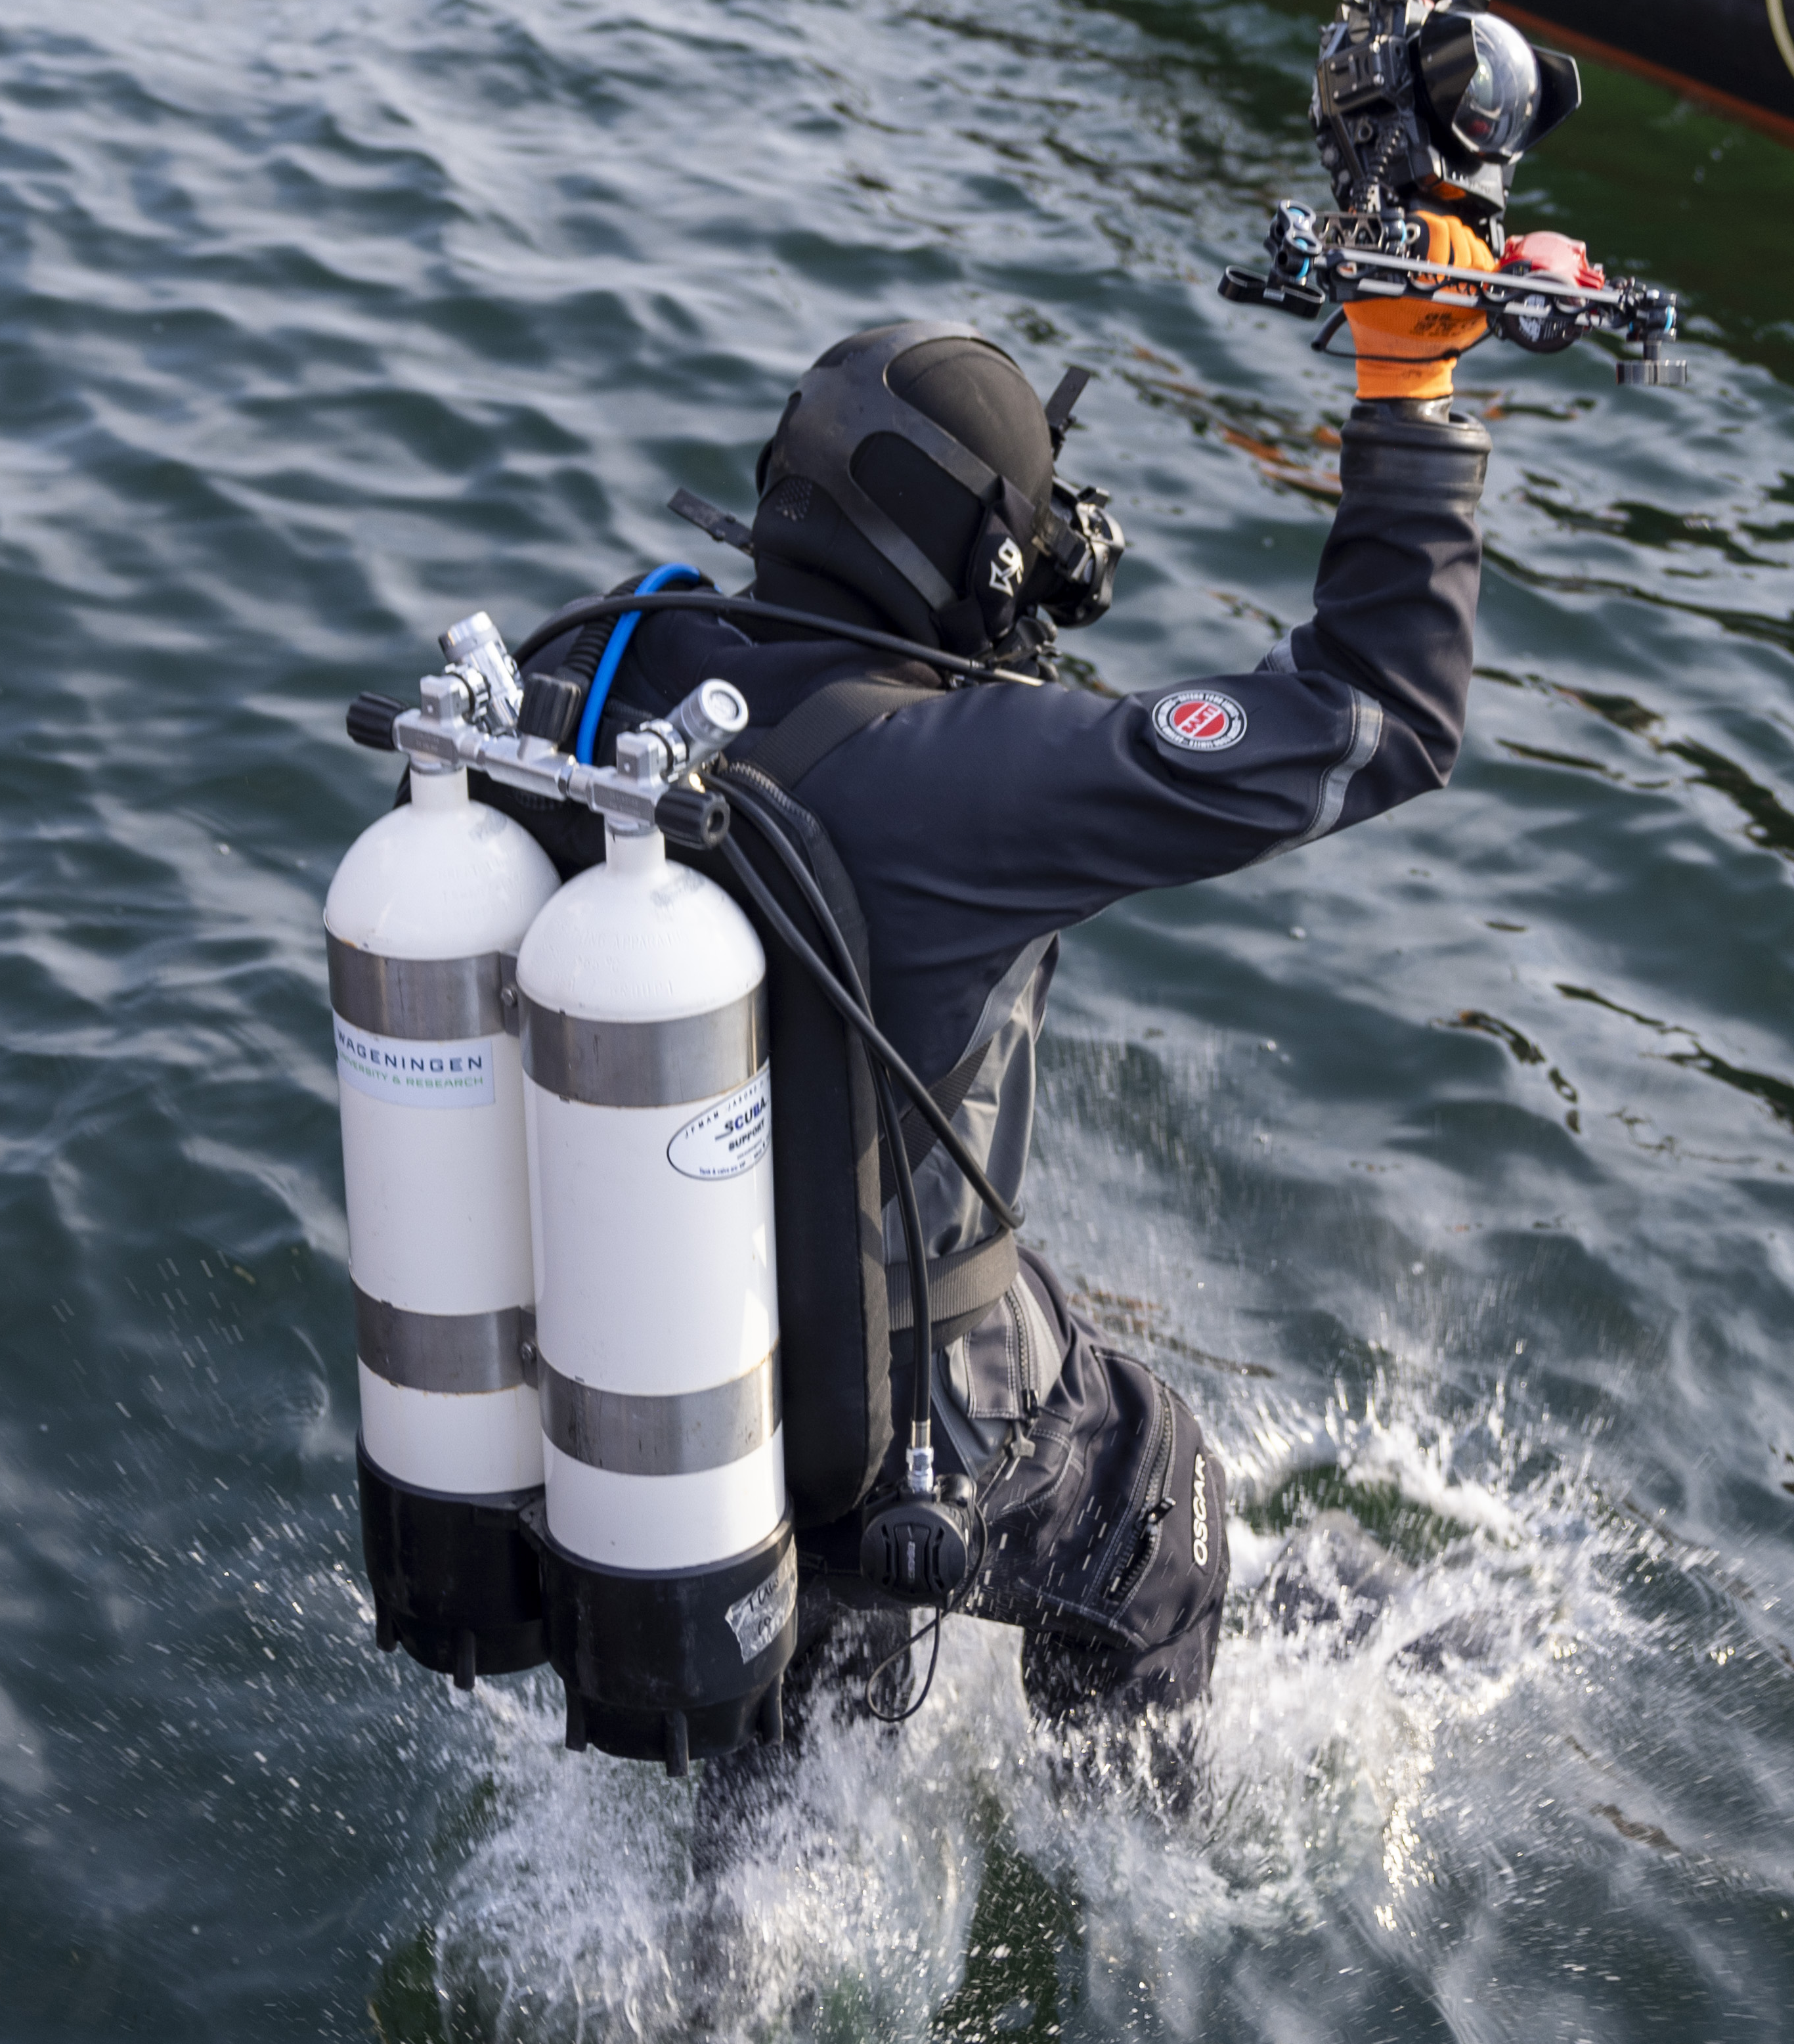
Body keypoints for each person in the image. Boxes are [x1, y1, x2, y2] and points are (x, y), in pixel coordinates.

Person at [519, 232, 1504, 1790]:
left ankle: (755, 1816)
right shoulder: (978, 772)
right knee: (1155, 1484)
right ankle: (1130, 1853)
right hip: (889, 1413)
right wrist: (1410, 379)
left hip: (653, 1374)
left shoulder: (586, 677)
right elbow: (1375, 713)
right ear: (977, 556)